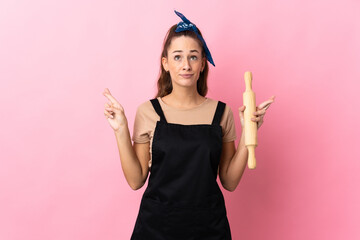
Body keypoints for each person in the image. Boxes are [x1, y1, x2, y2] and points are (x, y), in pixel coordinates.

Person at [102, 10, 275, 240]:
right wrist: (121, 130)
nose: (186, 65)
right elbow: (136, 180)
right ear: (165, 63)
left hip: (208, 229)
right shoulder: (148, 112)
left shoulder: (221, 113)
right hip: (156, 229)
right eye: (177, 57)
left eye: (193, 57)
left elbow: (229, 182)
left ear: (203, 63)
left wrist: (248, 133)